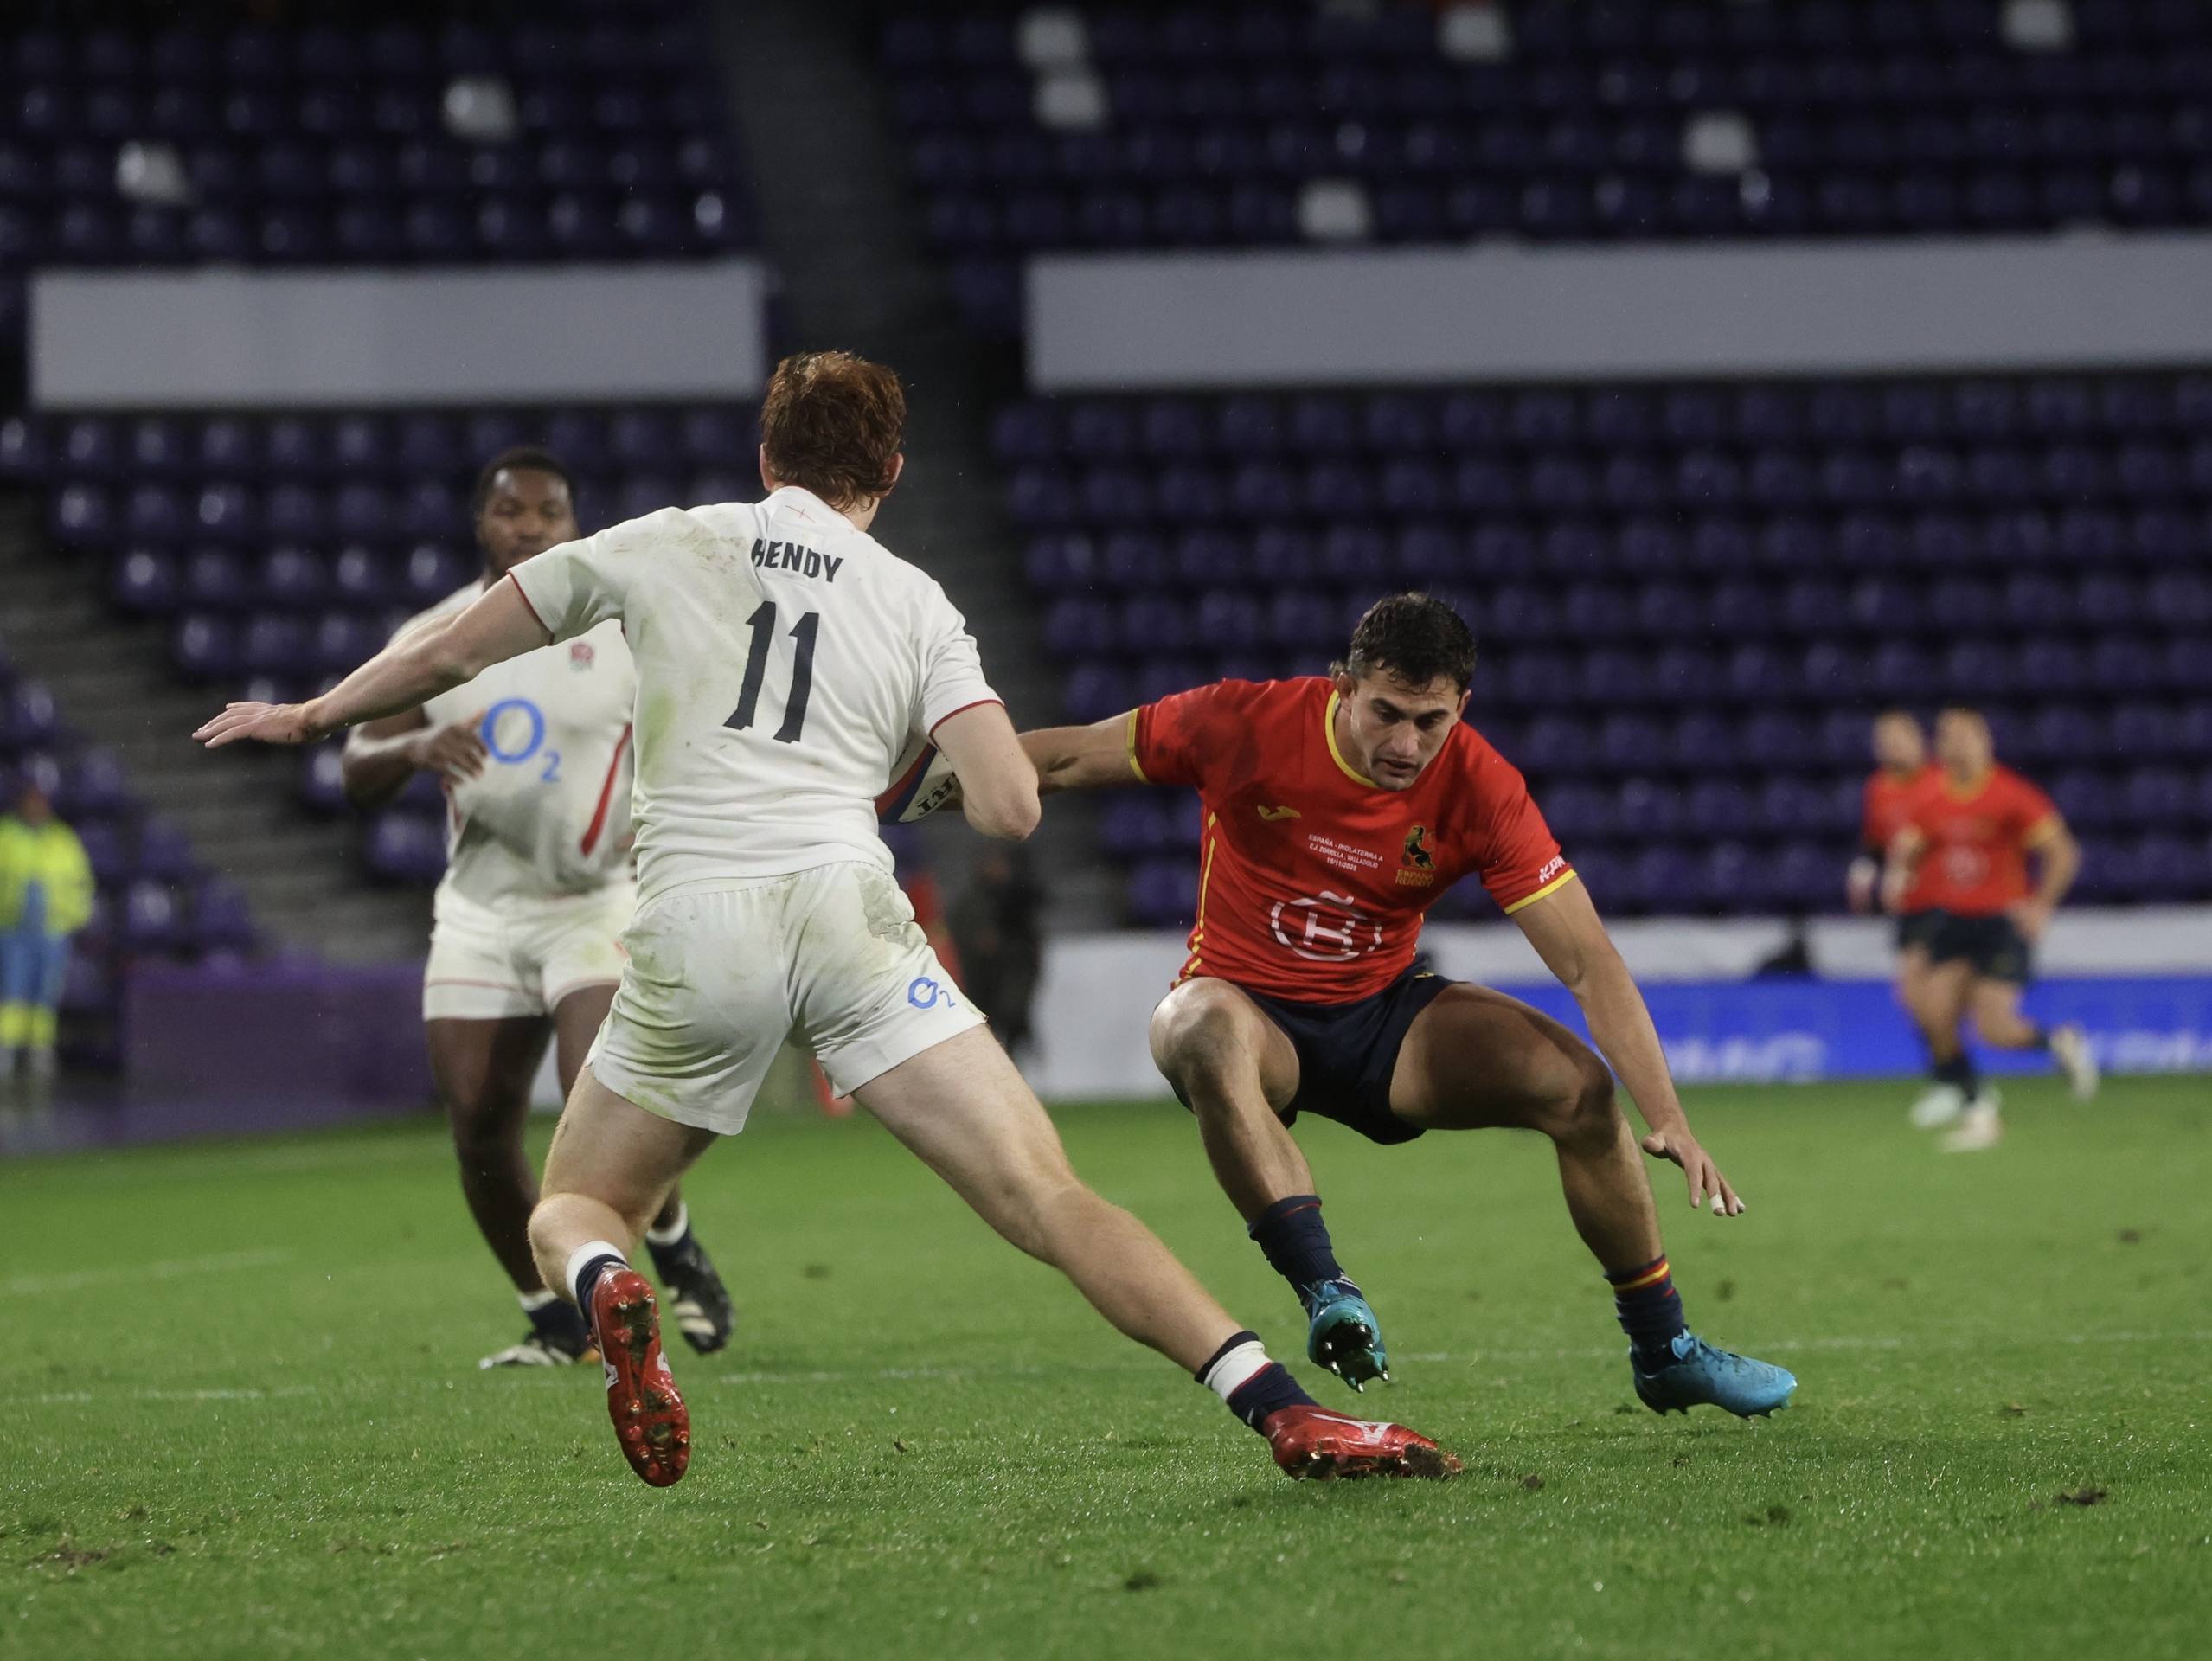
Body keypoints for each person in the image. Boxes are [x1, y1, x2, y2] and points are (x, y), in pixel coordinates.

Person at [197, 350, 1455, 1488]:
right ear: (891, 473)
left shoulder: (666, 542)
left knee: (570, 1208)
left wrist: (311, 715)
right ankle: (1287, 1412)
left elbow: (451, 652)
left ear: (766, 459)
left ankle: (611, 1289)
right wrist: (905, 779)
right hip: (850, 913)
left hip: (698, 924)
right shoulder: (914, 602)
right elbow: (1015, 807)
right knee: (1049, 1201)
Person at [1015, 593, 1796, 1418]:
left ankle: (1664, 1349)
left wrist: (1667, 1115)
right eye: (1385, 713)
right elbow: (1060, 761)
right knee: (1198, 1026)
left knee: (1580, 1091)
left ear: (1461, 706)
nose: (1404, 744)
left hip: (1382, 1018)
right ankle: (1327, 1292)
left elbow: (1588, 964)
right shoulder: (1242, 721)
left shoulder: (1480, 785)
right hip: (1249, 1011)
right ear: (1341, 687)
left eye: (1429, 721)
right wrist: (898, 787)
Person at [338, 447, 733, 1369]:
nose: (532, 528)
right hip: (482, 909)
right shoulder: (437, 636)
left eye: (551, 514)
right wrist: (416, 746)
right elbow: (354, 768)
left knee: (598, 1103)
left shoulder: (619, 627)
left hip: (594, 902)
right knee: (477, 1123)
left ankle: (671, 1245)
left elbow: (700, 734)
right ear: (482, 522)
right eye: (513, 511)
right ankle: (557, 1321)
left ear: (574, 526)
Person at [1882, 708, 2098, 1152]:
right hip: (1953, 922)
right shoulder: (1933, 798)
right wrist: (1899, 874)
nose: (1955, 744)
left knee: (1994, 1029)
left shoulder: (2012, 795)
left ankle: (2059, 1041)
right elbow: (1913, 846)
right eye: (1946, 737)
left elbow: (2063, 852)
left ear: (1986, 742)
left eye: (1964, 736)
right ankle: (1979, 1108)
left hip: (1999, 924)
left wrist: (2040, 906)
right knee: (1932, 1014)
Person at [1850, 710, 1954, 1126]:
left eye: (1900, 737)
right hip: (1908, 908)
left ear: (1920, 741)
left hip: (1942, 903)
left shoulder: (1940, 785)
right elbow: (1877, 843)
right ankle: (1952, 1081)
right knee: (1914, 999)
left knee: (1923, 996)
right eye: (1884, 738)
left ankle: (1957, 1084)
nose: (1893, 746)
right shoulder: (1878, 789)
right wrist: (1866, 868)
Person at [0, 781, 93, 1080]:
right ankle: (7, 1048)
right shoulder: (6, 835)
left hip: (52, 930)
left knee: (46, 992)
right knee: (12, 988)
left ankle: (40, 1049)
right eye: (31, 801)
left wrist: (72, 919)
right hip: (12, 926)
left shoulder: (63, 840)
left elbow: (80, 884)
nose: (36, 807)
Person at [947, 848, 1043, 1061]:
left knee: (1012, 1011)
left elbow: (1034, 920)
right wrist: (977, 941)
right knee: (986, 1018)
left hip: (1013, 968)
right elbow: (957, 928)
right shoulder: (971, 900)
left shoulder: (1016, 895)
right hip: (981, 973)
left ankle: (1013, 1055)